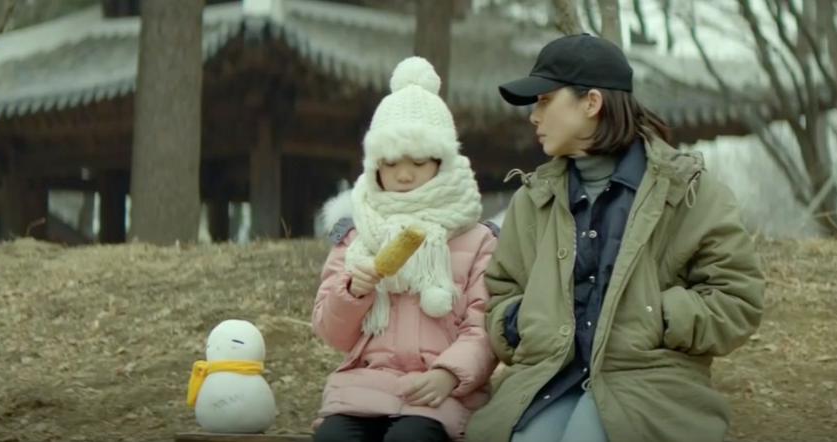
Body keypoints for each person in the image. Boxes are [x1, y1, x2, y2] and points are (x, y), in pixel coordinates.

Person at [463, 34, 766, 442]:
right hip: (549, 376)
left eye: (545, 100)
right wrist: (521, 323)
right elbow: (501, 294)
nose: (534, 116)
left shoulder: (686, 190)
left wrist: (658, 317)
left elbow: (738, 298)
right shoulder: (532, 200)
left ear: (591, 102)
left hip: (648, 380)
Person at [310, 56, 500, 442]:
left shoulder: (478, 239)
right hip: (365, 386)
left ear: (442, 162)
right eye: (391, 161)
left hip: (441, 391)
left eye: (418, 160)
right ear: (374, 165)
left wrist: (449, 374)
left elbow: (484, 327)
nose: (404, 174)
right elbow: (331, 333)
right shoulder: (355, 236)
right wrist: (353, 291)